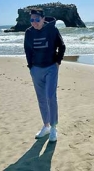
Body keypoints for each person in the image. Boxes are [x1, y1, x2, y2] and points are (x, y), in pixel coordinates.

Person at [24, 8, 66, 142]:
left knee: (50, 97)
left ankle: (54, 128)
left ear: (43, 19)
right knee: (41, 98)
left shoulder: (52, 30)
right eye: (32, 20)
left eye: (37, 19)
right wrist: (31, 67)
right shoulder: (29, 32)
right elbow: (28, 50)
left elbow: (62, 46)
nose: (34, 22)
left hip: (51, 68)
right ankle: (46, 126)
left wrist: (58, 62)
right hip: (36, 69)